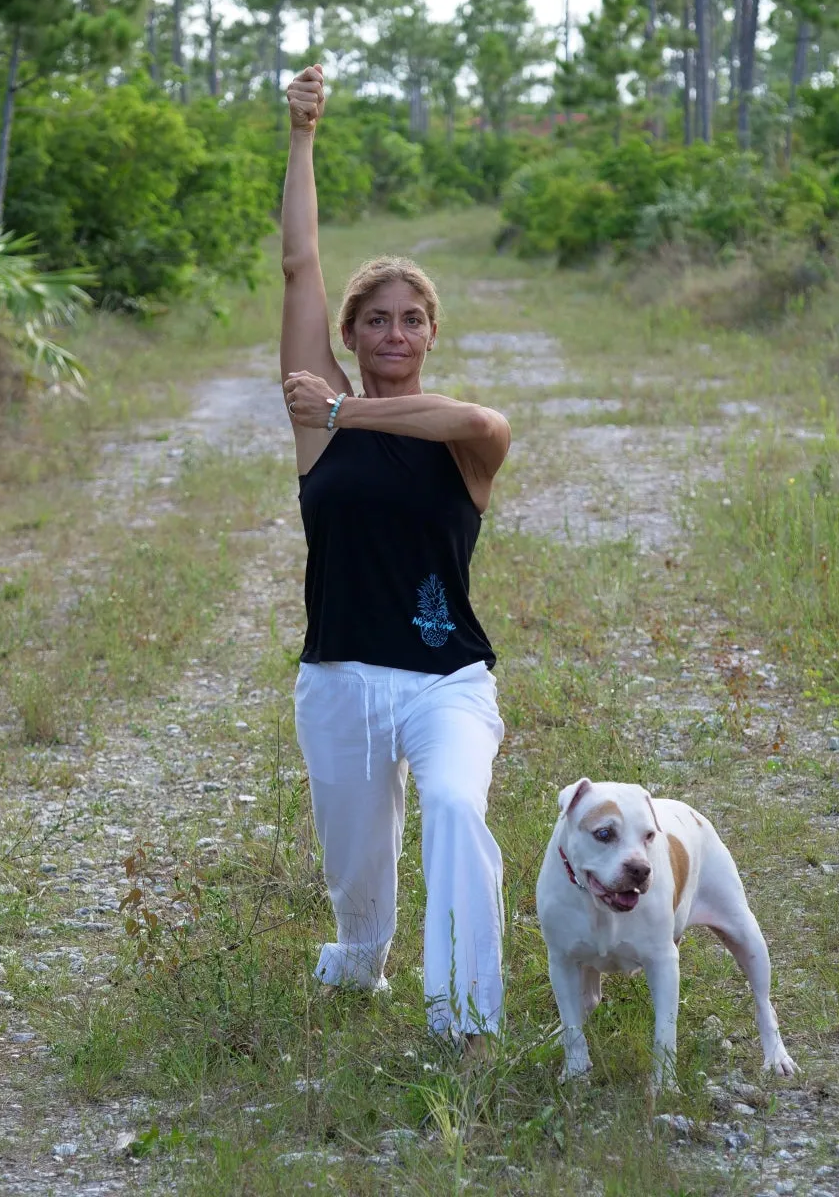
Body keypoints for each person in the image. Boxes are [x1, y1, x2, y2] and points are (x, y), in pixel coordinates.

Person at [279, 65, 512, 1056]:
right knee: (360, 878)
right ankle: (365, 956)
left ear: (431, 333)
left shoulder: (456, 438)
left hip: (446, 679)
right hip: (338, 674)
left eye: (411, 319)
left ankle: (464, 1011)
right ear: (351, 335)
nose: (394, 333)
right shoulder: (317, 424)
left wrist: (338, 407)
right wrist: (302, 136)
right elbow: (299, 266)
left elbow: (482, 417)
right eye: (375, 320)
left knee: (457, 805)